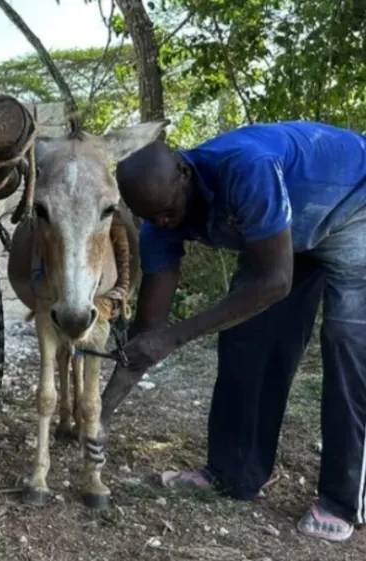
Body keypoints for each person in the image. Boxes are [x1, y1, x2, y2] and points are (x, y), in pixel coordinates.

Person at [110, 120, 366, 542]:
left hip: (354, 208)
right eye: (150, 216)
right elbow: (149, 329)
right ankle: (234, 472)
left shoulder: (246, 167)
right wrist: (103, 410)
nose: (163, 220)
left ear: (185, 174)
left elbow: (275, 281)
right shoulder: (157, 218)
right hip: (283, 233)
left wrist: (174, 338)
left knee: (348, 347)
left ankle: (342, 501)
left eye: (168, 209)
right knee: (246, 341)